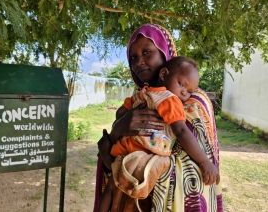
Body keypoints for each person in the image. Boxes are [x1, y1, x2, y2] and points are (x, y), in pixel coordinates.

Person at [94, 24, 223, 212]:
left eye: (147, 52)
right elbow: (110, 149)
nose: (139, 62)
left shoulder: (193, 101)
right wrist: (118, 129)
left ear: (164, 53)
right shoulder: (140, 97)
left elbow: (192, 171)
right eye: (133, 57)